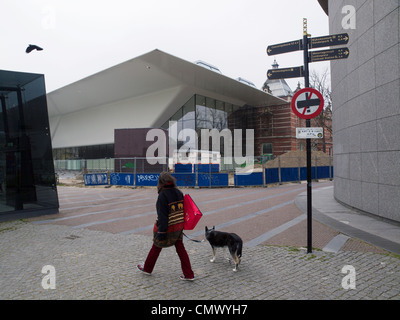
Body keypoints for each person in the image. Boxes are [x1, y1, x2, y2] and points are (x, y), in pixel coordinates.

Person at [137, 172, 195, 281]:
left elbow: (162, 216)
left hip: (167, 228)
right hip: (178, 227)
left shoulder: (162, 195)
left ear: (160, 182)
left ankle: (147, 269)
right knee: (181, 250)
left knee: (156, 247)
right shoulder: (179, 192)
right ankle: (189, 274)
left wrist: (161, 232)